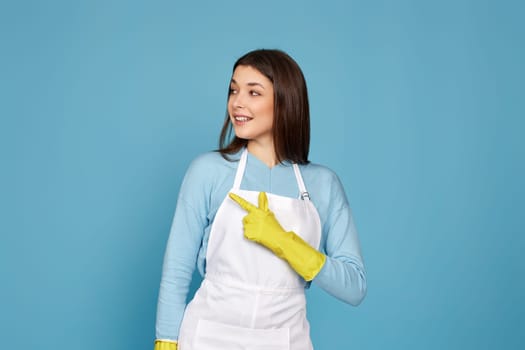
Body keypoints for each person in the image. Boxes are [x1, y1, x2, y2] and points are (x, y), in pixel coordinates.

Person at [154, 49, 366, 350]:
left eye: (254, 92)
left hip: (285, 340)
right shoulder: (208, 172)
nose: (237, 102)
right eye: (233, 90)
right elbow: (176, 271)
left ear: (285, 101)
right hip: (207, 338)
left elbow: (354, 287)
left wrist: (285, 242)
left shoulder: (322, 185)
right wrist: (166, 342)